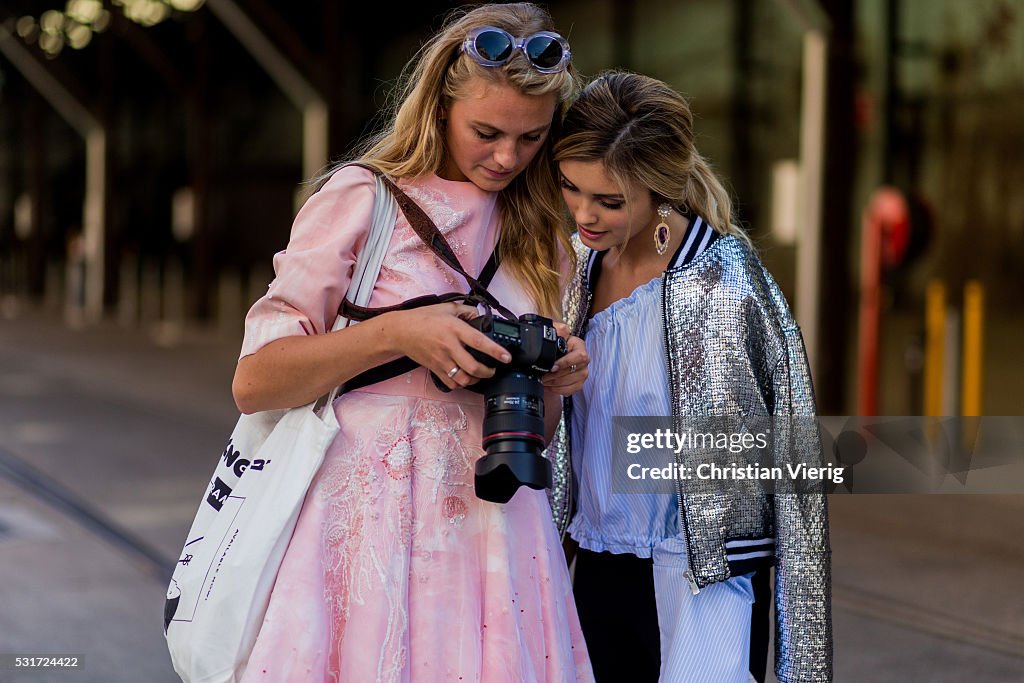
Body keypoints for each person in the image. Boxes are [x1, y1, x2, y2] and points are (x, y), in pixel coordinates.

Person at [231, 4, 593, 681]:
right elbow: (254, 381)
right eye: (486, 132)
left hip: (496, 538)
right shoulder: (361, 200)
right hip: (366, 540)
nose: (507, 157)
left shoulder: (545, 239)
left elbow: (533, 436)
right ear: (439, 106)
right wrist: (398, 332)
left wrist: (553, 380)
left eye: (531, 138)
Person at [552, 72, 832, 683]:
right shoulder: (571, 266)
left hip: (702, 579)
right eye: (572, 188)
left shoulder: (728, 284)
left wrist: (801, 657)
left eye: (609, 200)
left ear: (659, 191)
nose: (583, 213)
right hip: (593, 569)